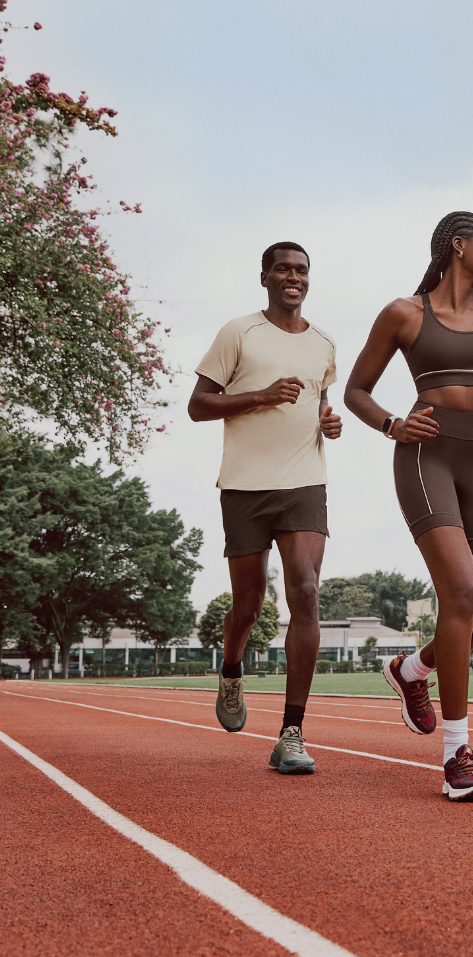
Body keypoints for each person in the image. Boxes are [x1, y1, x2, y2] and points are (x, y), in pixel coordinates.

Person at [344, 212, 473, 802]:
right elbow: (357, 390)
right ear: (459, 246)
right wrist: (391, 424)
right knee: (459, 591)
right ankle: (458, 754)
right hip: (426, 454)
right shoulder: (405, 314)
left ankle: (412, 671)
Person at [189, 241, 341, 775]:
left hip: (304, 482)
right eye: (283, 269)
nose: (292, 277)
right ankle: (232, 667)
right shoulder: (239, 333)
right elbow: (198, 406)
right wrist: (260, 395)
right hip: (245, 488)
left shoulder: (324, 343)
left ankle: (291, 734)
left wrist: (329, 420)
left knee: (305, 588)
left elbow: (320, 402)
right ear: (265, 277)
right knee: (248, 607)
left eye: (301, 270)